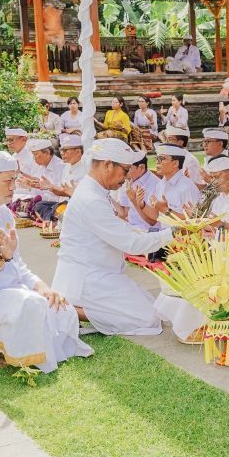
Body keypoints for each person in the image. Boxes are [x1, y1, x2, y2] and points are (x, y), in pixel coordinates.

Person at [0, 149, 93, 372]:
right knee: (32, 305)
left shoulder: (3, 212)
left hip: (8, 292)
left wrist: (43, 288)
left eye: (14, 180)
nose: (13, 187)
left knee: (59, 307)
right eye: (8, 181)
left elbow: (18, 266)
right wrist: (1, 257)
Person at [52, 139, 178, 335]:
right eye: (125, 170)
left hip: (102, 273)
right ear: (107, 165)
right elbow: (132, 244)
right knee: (148, 319)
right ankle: (67, 309)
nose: (126, 177)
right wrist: (174, 233)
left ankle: (72, 306)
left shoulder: (95, 190)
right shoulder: (91, 198)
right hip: (88, 279)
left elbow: (121, 228)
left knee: (157, 309)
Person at [134, 144, 202, 228]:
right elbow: (158, 216)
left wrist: (166, 210)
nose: (157, 162)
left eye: (162, 159)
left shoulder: (187, 187)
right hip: (166, 237)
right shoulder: (160, 184)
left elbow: (194, 221)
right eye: (157, 158)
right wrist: (141, 204)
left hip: (184, 239)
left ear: (175, 163)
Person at [26, 138, 66, 222]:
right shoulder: (43, 166)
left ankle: (51, 220)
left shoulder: (60, 166)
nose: (34, 158)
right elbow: (43, 190)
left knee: (39, 206)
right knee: (36, 205)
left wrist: (48, 187)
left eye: (36, 154)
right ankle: (50, 220)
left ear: (47, 153)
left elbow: (63, 192)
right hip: (48, 204)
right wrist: (35, 185)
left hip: (59, 204)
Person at [119, 154, 161, 230]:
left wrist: (134, 200)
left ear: (141, 168)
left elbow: (152, 222)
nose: (124, 172)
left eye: (128, 168)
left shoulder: (156, 185)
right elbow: (124, 213)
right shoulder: (129, 180)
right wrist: (107, 195)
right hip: (132, 228)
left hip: (150, 232)